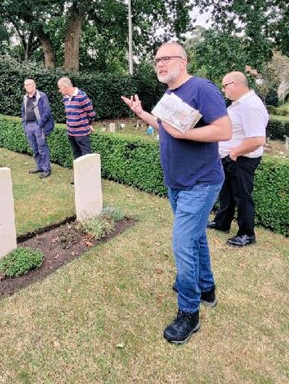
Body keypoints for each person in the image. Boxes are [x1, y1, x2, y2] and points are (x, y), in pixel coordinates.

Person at [121, 41, 232, 345]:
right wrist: (141, 112)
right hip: (177, 183)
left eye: (165, 58)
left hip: (201, 182)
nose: (159, 63)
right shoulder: (169, 94)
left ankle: (189, 312)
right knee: (195, 237)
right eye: (156, 59)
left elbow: (224, 131)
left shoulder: (202, 88)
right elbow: (164, 125)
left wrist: (187, 134)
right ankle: (206, 288)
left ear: (182, 61)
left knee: (183, 243)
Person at [207, 71, 269, 246]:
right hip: (231, 157)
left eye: (224, 86)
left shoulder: (251, 105)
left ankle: (247, 234)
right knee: (226, 193)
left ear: (234, 84)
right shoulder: (239, 104)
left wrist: (234, 154)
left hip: (241, 158)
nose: (223, 90)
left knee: (242, 196)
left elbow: (257, 140)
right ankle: (222, 223)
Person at [21, 78, 55, 179]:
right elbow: (23, 111)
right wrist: (24, 123)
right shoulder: (25, 97)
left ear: (34, 85)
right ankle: (40, 166)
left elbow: (47, 111)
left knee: (42, 147)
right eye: (26, 85)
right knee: (35, 148)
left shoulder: (42, 96)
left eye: (29, 84)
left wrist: (40, 125)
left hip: (38, 125)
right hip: (28, 125)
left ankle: (46, 169)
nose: (28, 86)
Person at [57, 76, 96, 160]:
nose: (59, 90)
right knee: (76, 156)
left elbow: (91, 114)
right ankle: (79, 173)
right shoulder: (65, 98)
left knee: (86, 158)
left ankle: (87, 173)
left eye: (60, 88)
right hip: (70, 133)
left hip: (82, 134)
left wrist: (88, 125)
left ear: (65, 87)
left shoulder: (82, 96)